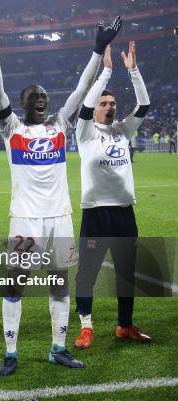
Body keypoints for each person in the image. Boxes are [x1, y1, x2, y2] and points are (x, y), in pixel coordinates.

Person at [0, 15, 122, 376]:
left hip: (59, 215)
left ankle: (57, 348)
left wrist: (96, 51)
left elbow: (80, 88)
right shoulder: (10, 128)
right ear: (23, 102)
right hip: (26, 218)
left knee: (59, 283)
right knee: (15, 283)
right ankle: (10, 353)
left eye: (44, 96)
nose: (41, 100)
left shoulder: (60, 125)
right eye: (34, 96)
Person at [74, 42, 151, 350]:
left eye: (112, 104)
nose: (110, 107)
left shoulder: (123, 130)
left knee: (125, 274)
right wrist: (106, 72)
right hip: (95, 214)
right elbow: (82, 108)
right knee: (87, 275)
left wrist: (133, 71)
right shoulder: (85, 132)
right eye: (104, 104)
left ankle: (125, 325)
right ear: (96, 109)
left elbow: (143, 106)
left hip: (124, 214)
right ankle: (86, 327)